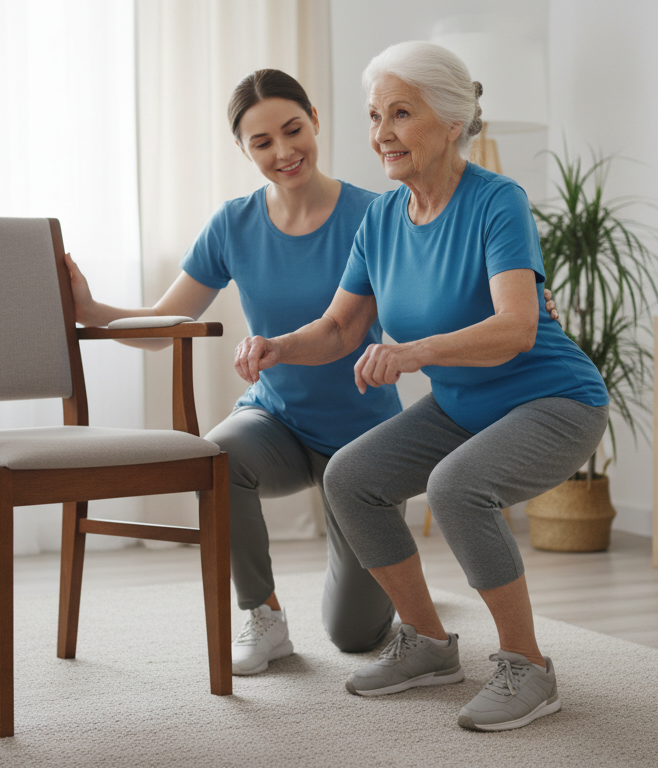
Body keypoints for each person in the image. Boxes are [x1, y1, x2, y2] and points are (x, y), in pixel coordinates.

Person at [65, 68, 564, 677]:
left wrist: (520, 304)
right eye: (262, 142)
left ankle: (395, 595)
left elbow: (445, 282)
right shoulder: (234, 223)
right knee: (216, 456)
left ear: (316, 121)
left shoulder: (376, 212)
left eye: (292, 130)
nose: (283, 152)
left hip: (359, 432)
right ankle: (263, 616)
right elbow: (166, 323)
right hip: (273, 422)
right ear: (245, 150)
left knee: (353, 636)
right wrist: (90, 310)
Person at [233, 41, 608, 732]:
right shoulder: (381, 218)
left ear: (451, 120)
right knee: (350, 478)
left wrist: (413, 353)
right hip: (463, 406)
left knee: (456, 487)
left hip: (552, 401)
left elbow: (517, 328)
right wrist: (277, 346)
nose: (380, 133)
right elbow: (342, 328)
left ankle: (528, 667)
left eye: (399, 114)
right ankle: (429, 644)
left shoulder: (497, 201)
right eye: (375, 115)